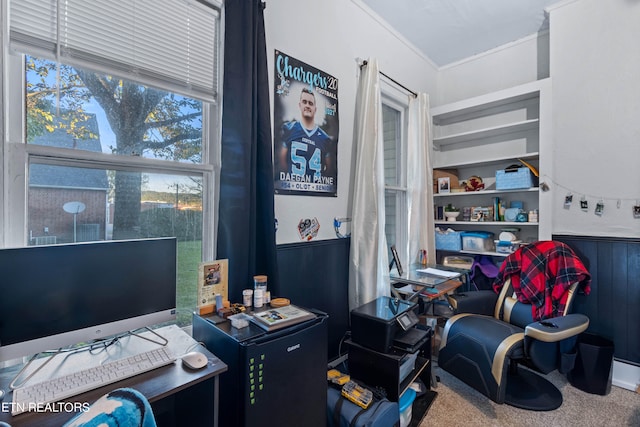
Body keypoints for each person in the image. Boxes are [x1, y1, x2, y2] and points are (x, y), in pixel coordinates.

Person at [276, 88, 334, 184]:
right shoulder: (289, 128)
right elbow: (282, 159)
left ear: (315, 109)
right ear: (300, 105)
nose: (307, 105)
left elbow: (329, 168)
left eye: (310, 103)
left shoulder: (325, 138)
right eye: (304, 102)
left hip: (315, 190)